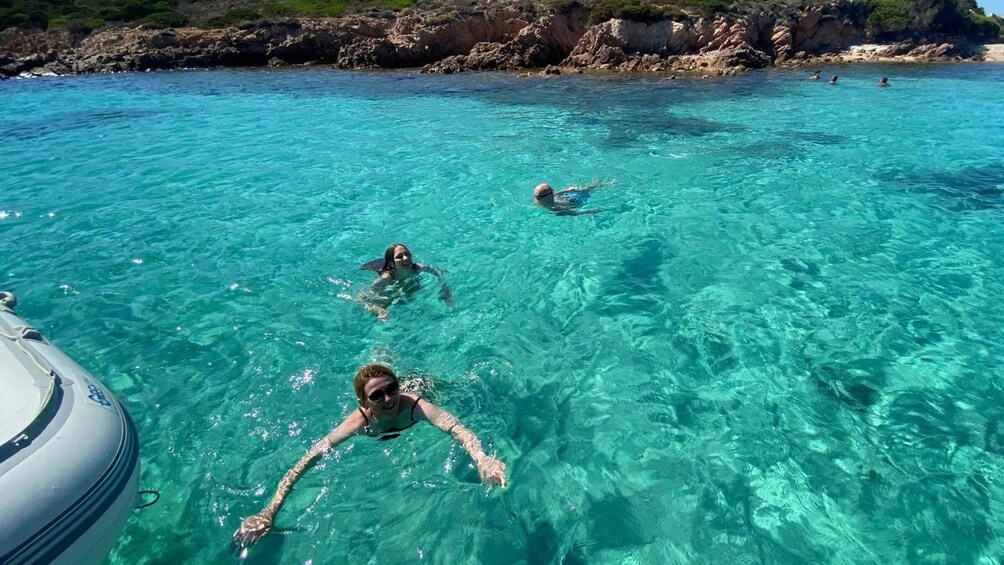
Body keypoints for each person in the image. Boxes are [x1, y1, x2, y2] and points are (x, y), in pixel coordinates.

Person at [231, 364, 507, 551]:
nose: (388, 399)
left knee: (452, 386)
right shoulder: (357, 422)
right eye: (377, 395)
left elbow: (455, 427)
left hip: (422, 385)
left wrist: (482, 460)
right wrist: (269, 510)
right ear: (364, 404)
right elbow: (307, 460)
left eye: (391, 388)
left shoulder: (413, 405)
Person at [362, 243, 451, 321]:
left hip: (402, 277)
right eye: (399, 257)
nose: (406, 258)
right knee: (388, 302)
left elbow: (437, 273)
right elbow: (368, 296)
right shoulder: (387, 277)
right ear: (392, 263)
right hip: (380, 268)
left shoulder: (418, 267)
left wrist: (445, 292)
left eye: (407, 254)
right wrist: (381, 312)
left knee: (412, 292)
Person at [533, 180, 604, 216]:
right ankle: (600, 185)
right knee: (588, 191)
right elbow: (576, 213)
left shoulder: (539, 199)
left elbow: (550, 194)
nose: (554, 192)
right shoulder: (555, 209)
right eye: (552, 191)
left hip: (564, 198)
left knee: (585, 189)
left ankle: (598, 185)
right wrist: (590, 211)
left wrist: (566, 190)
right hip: (576, 202)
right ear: (548, 196)